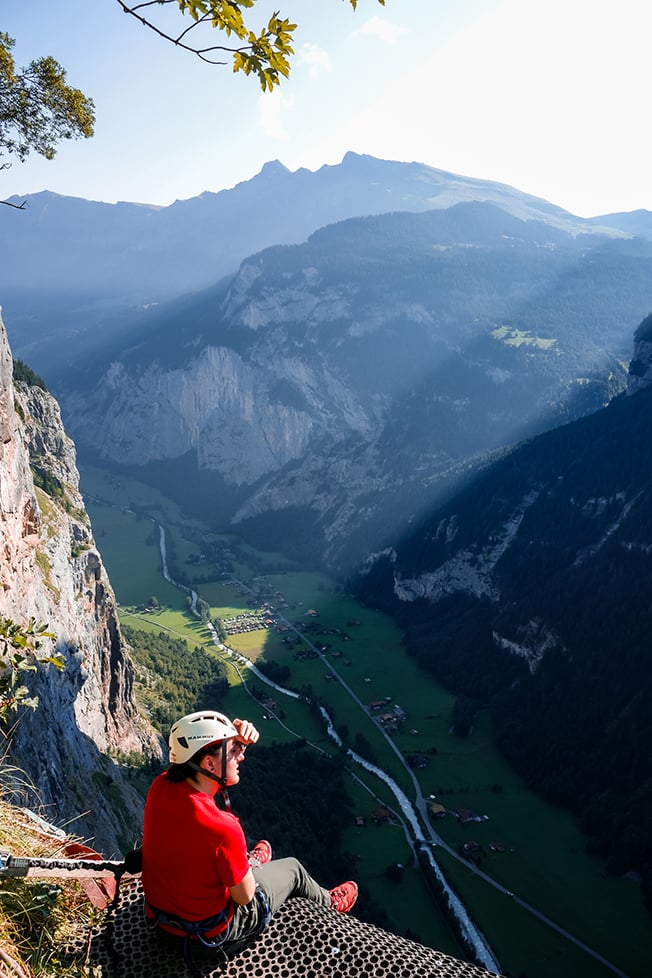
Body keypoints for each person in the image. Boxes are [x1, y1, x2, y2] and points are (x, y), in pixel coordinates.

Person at [141, 710, 358, 963]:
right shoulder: (224, 828)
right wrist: (246, 876)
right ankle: (329, 901)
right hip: (207, 940)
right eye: (234, 751)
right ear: (209, 764)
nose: (241, 756)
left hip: (161, 925)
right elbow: (243, 898)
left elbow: (192, 839)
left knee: (226, 861)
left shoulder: (161, 786)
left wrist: (234, 735)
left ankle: (242, 863)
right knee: (293, 869)